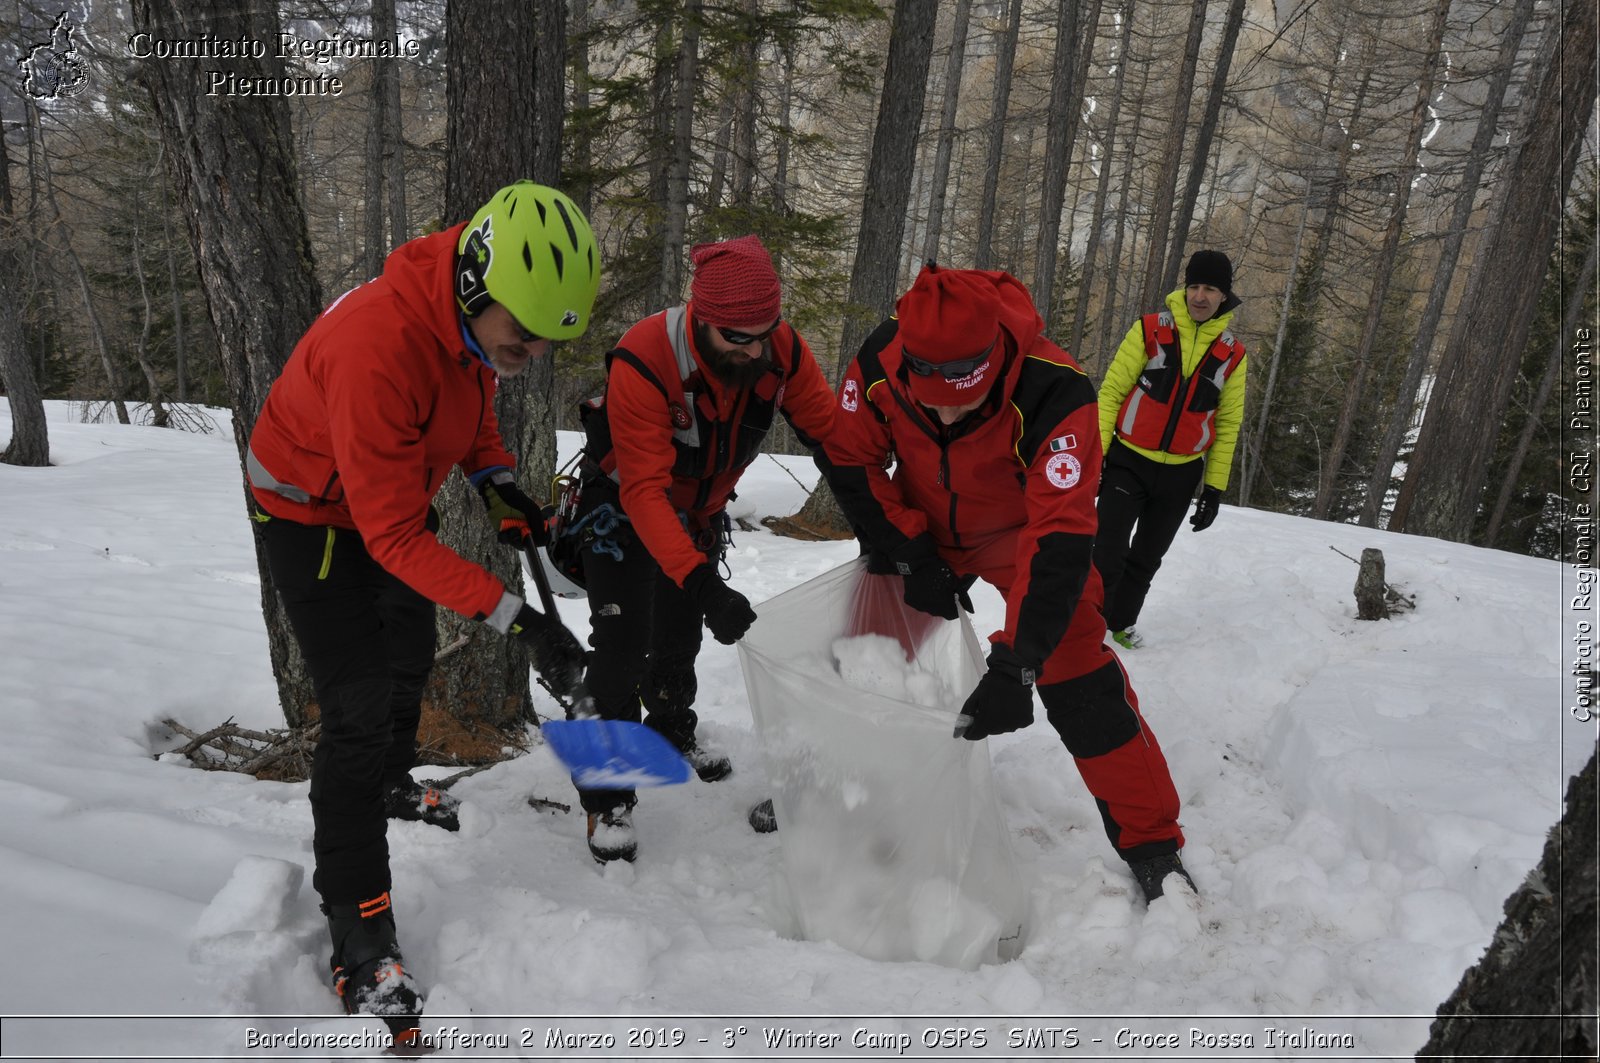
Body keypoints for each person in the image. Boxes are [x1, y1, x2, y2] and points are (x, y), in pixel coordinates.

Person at [246, 181, 600, 1042]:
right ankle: (361, 934)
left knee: (407, 650)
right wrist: (527, 624)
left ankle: (394, 781)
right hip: (309, 515)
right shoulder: (378, 347)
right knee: (359, 709)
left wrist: (498, 479)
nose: (529, 356)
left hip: (383, 499)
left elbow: (468, 396)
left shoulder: (463, 313)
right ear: (479, 288)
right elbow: (396, 538)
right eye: (522, 339)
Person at [823, 263, 1194, 903]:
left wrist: (1018, 663)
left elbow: (1060, 537)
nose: (948, 414)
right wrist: (912, 554)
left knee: (1078, 674)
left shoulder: (1057, 389)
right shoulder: (881, 356)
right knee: (869, 655)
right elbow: (852, 460)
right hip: (920, 520)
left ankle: (1152, 843)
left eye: (964, 398)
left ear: (992, 358)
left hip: (1020, 531)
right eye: (930, 402)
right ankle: (833, 792)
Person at [565, 234, 838, 864]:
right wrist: (704, 581)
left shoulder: (779, 348)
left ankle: (669, 727)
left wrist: (879, 515)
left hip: (697, 511)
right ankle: (607, 798)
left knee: (680, 633)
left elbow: (828, 429)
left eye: (763, 334)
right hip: (624, 505)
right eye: (736, 338)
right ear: (702, 320)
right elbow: (643, 493)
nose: (753, 349)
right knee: (623, 644)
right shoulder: (645, 357)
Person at [1093, 250, 1247, 650]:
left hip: (1181, 475)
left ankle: (1121, 625)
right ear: (1184, 287)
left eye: (1210, 288)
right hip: (1128, 461)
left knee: (1145, 560)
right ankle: (1087, 627)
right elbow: (1110, 394)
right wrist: (1098, 456)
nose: (1199, 296)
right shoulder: (1150, 329)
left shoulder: (1233, 354)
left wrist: (1213, 490)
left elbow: (1228, 424)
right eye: (1194, 286)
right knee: (1106, 553)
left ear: (1223, 295)